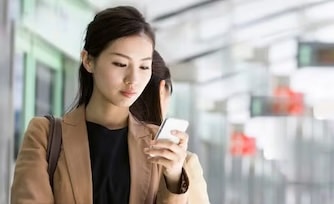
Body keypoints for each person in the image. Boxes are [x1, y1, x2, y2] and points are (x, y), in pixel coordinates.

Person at [11, 6, 210, 204]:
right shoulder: (45, 136)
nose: (133, 79)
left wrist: (174, 180)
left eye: (143, 67)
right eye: (120, 64)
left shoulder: (159, 149)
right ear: (88, 60)